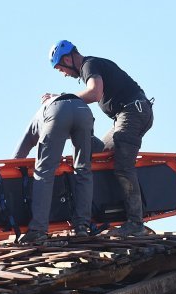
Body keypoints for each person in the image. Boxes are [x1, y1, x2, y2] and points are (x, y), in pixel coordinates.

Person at [46, 40, 153, 237]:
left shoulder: (89, 65)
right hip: (126, 115)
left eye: (61, 68)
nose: (63, 73)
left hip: (132, 111)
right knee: (100, 154)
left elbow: (95, 93)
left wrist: (63, 98)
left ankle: (136, 223)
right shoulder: (90, 66)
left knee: (123, 166)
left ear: (68, 59)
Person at [12, 93, 95, 244]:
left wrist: (12, 172)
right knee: (83, 170)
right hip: (84, 110)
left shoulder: (39, 116)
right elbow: (94, 144)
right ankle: (82, 225)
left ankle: (38, 229)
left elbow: (20, 152)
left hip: (57, 111)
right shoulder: (73, 105)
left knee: (44, 171)